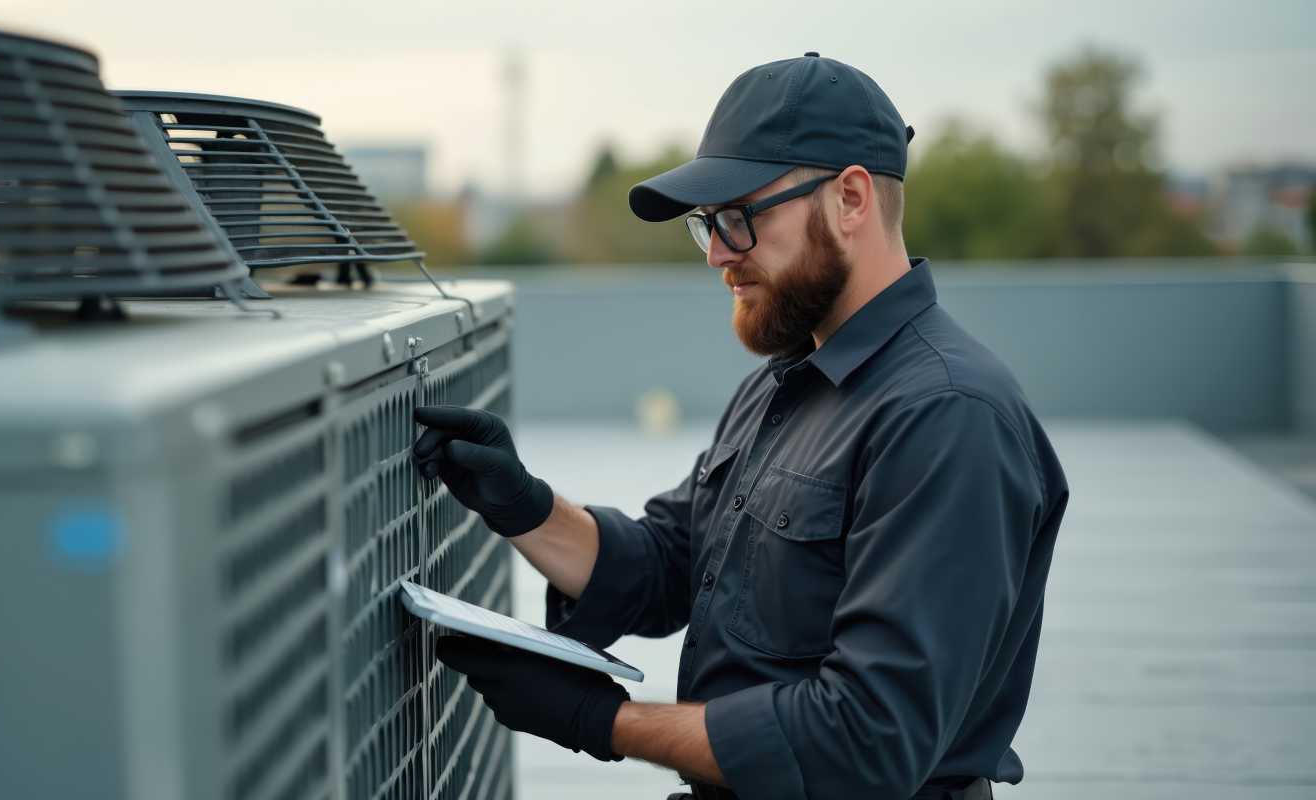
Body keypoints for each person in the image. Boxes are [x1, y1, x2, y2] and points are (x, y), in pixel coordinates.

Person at [411, 52, 1069, 800]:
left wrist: (602, 720)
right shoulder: (785, 382)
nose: (719, 253)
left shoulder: (946, 417)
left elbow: (869, 741)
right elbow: (674, 565)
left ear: (851, 199)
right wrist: (522, 506)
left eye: (740, 218)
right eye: (708, 225)